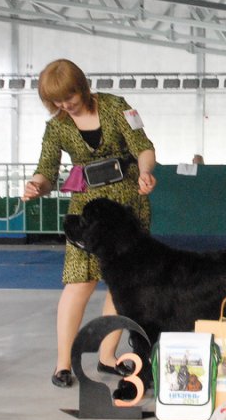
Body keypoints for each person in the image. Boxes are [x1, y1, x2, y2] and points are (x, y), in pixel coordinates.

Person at [21, 59, 157, 388]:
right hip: (87, 209)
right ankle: (63, 364)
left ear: (82, 86)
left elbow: (143, 147)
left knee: (122, 282)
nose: (65, 105)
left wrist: (145, 172)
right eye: (57, 101)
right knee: (79, 282)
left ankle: (108, 356)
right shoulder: (56, 127)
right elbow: (47, 170)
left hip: (128, 203)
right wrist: (37, 185)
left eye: (69, 96)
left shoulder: (116, 106)